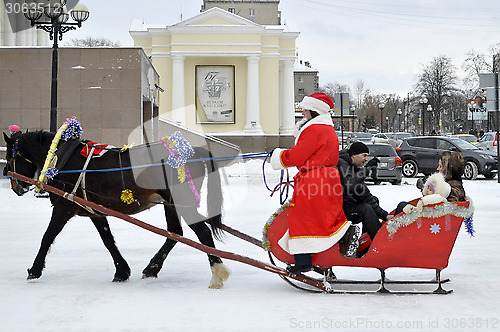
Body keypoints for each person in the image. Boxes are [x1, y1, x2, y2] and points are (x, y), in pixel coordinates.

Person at [270, 92, 351, 274]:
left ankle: (304, 261)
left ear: (315, 110)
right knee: (321, 219)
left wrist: (278, 156)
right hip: (327, 179)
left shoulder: (314, 130)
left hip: (314, 180)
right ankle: (321, 255)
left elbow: (298, 156)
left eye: (305, 110)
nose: (303, 113)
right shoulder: (326, 128)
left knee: (302, 219)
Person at [337, 142, 390, 253]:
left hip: (347, 203)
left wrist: (385, 216)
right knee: (365, 209)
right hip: (339, 209)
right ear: (354, 155)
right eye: (364, 155)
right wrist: (366, 169)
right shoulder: (343, 163)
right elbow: (350, 185)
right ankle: (381, 245)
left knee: (373, 200)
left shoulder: (353, 166)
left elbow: (364, 193)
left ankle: (366, 244)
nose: (366, 159)